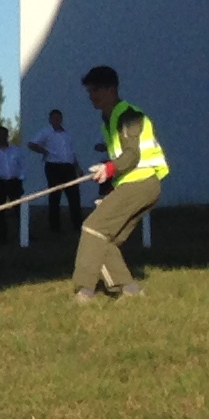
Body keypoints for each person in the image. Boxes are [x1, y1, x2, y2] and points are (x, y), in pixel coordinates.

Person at [71, 65, 169, 302]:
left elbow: (132, 155)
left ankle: (84, 291)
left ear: (110, 90)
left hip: (141, 182)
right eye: (89, 91)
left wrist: (109, 168)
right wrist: (110, 183)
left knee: (92, 228)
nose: (91, 96)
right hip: (133, 183)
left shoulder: (128, 115)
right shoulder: (108, 118)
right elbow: (122, 158)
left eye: (95, 90)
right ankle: (130, 290)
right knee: (105, 241)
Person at [30, 109, 87, 240]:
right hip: (54, 166)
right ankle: (54, 227)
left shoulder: (67, 134)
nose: (56, 120)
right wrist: (44, 152)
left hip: (68, 167)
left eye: (58, 118)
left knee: (74, 196)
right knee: (55, 196)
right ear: (50, 120)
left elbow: (71, 152)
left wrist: (77, 167)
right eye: (54, 118)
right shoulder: (46, 132)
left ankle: (77, 225)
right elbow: (32, 144)